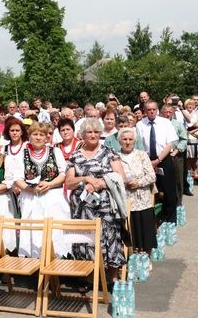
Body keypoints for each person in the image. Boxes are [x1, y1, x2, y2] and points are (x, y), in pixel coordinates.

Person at [64, 119, 127, 281]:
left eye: (96, 132)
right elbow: (69, 183)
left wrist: (99, 183)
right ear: (83, 135)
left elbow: (121, 177)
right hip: (82, 208)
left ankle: (112, 278)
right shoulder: (75, 156)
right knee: (86, 240)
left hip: (106, 206)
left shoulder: (109, 152)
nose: (93, 135)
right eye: (89, 132)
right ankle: (89, 278)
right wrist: (86, 179)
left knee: (110, 237)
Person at [13, 121, 70, 258]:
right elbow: (17, 178)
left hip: (53, 197)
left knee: (54, 232)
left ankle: (57, 265)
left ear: (46, 137)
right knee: (34, 231)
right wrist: (32, 190)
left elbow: (63, 174)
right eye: (35, 134)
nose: (38, 137)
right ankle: (34, 264)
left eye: (42, 135)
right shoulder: (22, 154)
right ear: (29, 136)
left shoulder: (55, 151)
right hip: (31, 198)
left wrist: (49, 184)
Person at [136, 101, 179, 223]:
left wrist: (158, 160)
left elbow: (170, 143)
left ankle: (170, 219)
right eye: (149, 109)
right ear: (145, 111)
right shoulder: (140, 125)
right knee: (150, 190)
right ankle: (153, 219)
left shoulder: (165, 123)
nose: (151, 111)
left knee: (168, 190)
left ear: (157, 110)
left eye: (154, 109)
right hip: (146, 161)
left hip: (164, 159)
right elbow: (139, 145)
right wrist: (148, 162)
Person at [117, 128, 156, 253]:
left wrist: (138, 183)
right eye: (124, 139)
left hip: (143, 199)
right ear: (119, 141)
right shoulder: (115, 157)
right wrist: (124, 183)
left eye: (130, 139)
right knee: (131, 231)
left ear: (134, 141)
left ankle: (146, 257)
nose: (127, 142)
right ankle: (133, 256)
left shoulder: (142, 155)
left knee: (146, 231)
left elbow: (152, 176)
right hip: (126, 200)